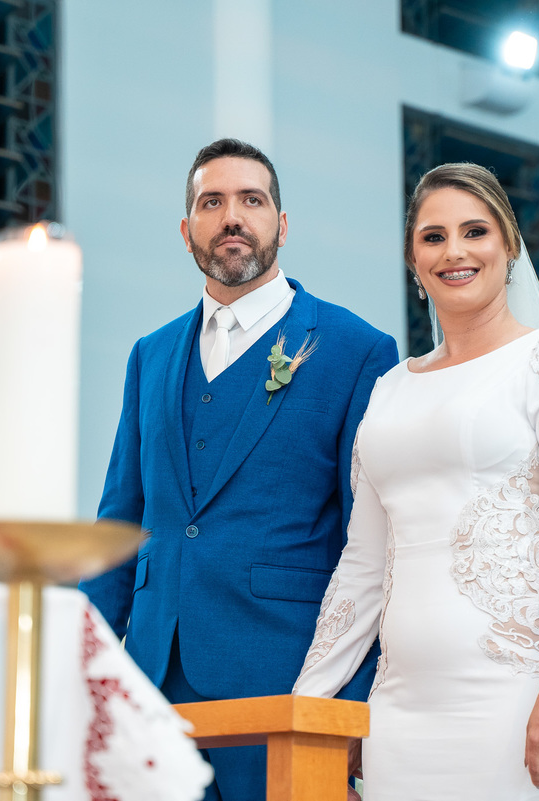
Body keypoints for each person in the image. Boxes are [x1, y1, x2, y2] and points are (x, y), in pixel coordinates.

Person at [293, 162, 539, 800]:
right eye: (433, 237)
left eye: (474, 231)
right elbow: (363, 565)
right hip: (399, 716)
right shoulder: (390, 390)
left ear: (509, 246)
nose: (454, 251)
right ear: (412, 260)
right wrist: (311, 706)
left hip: (521, 700)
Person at [79, 138, 399, 801]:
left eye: (252, 199)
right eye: (211, 201)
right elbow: (120, 523)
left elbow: (372, 545)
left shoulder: (355, 350)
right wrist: (82, 673)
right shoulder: (152, 355)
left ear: (282, 224)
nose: (231, 216)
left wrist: (356, 705)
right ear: (186, 228)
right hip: (153, 691)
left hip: (286, 685)